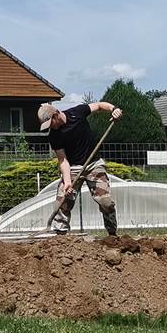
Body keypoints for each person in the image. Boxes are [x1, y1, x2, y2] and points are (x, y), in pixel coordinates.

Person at [38, 100, 124, 235]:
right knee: (63, 200)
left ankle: (112, 234)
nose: (50, 127)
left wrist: (114, 109)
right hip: (73, 168)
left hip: (94, 165)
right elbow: (63, 160)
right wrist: (67, 183)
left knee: (106, 202)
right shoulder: (54, 136)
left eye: (50, 124)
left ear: (56, 114)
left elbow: (100, 105)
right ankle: (60, 234)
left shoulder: (76, 113)